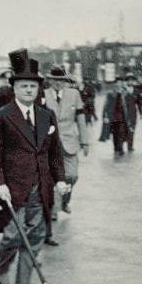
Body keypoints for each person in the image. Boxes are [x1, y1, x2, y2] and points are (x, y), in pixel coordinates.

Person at [0, 49, 67, 284]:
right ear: (15, 88)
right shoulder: (1, 116)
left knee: (35, 236)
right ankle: (2, 270)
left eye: (33, 86)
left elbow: (55, 152)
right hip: (13, 187)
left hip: (41, 186)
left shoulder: (46, 115)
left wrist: (60, 179)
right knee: (12, 235)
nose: (29, 90)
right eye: (24, 86)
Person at [42, 66, 88, 245]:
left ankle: (64, 201)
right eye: (55, 80)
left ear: (65, 81)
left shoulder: (74, 95)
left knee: (72, 175)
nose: (58, 83)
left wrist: (84, 141)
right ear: (50, 80)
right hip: (48, 142)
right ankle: (54, 207)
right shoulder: (42, 95)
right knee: (51, 178)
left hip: (70, 141)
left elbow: (81, 119)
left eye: (61, 80)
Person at [101, 77, 130, 157]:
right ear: (114, 84)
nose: (119, 85)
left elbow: (128, 104)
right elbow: (106, 106)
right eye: (117, 83)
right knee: (115, 134)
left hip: (122, 117)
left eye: (120, 83)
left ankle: (120, 148)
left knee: (121, 132)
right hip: (113, 117)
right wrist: (105, 116)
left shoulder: (124, 93)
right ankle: (116, 147)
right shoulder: (110, 94)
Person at [123, 73, 142, 151]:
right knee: (124, 129)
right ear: (126, 81)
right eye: (128, 80)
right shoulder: (123, 90)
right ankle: (120, 145)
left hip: (133, 113)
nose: (130, 82)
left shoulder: (136, 91)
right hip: (124, 112)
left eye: (132, 80)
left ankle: (130, 146)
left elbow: (139, 103)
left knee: (132, 129)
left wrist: (141, 113)